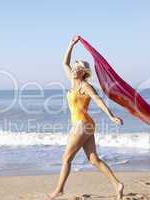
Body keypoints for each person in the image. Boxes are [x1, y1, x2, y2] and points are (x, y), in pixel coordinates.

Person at [47, 36, 124, 200]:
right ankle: (117, 184)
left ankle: (59, 189)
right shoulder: (72, 81)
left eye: (78, 68)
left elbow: (98, 100)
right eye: (74, 67)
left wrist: (111, 116)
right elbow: (64, 63)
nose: (74, 69)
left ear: (83, 72)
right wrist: (71, 44)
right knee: (94, 159)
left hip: (82, 125)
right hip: (85, 125)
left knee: (66, 158)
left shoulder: (85, 86)